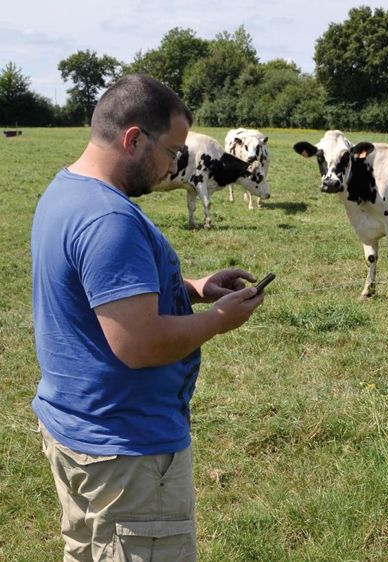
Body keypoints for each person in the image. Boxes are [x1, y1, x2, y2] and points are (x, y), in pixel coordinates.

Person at [30, 74, 265, 561]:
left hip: (77, 433)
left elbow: (102, 293)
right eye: (174, 151)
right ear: (134, 139)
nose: (177, 165)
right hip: (128, 452)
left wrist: (196, 290)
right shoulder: (109, 221)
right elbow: (139, 344)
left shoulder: (66, 192)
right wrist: (219, 319)